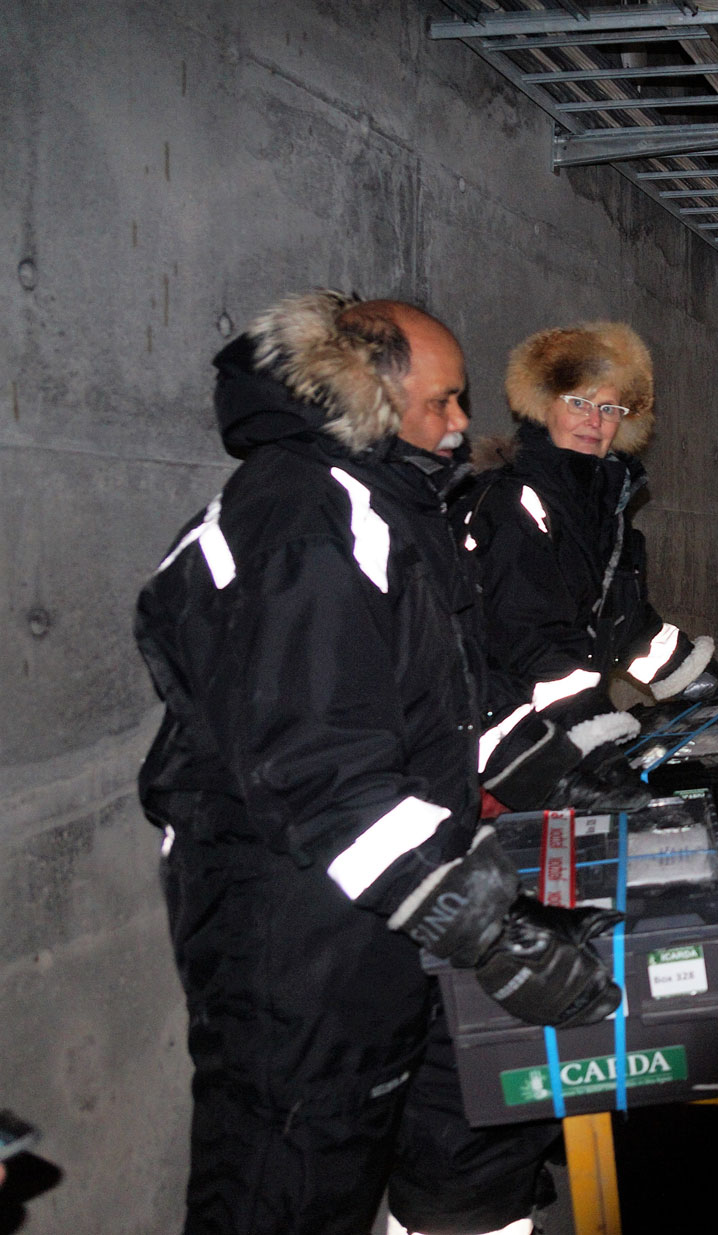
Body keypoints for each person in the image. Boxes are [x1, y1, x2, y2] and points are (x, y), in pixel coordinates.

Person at [136, 291, 631, 1235]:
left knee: (442, 1150)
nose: (459, 424)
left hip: (386, 908)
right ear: (366, 395)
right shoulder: (303, 523)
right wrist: (486, 933)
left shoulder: (388, 510)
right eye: (442, 402)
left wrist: (562, 779)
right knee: (292, 1176)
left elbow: (446, 709)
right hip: (294, 926)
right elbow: (326, 774)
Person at [460, 321, 718, 807]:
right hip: (503, 744)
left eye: (610, 408)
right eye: (579, 402)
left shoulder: (602, 508)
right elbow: (530, 643)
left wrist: (694, 678)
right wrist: (592, 744)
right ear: (544, 405)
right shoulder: (515, 501)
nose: (595, 420)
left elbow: (622, 621)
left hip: (559, 731)